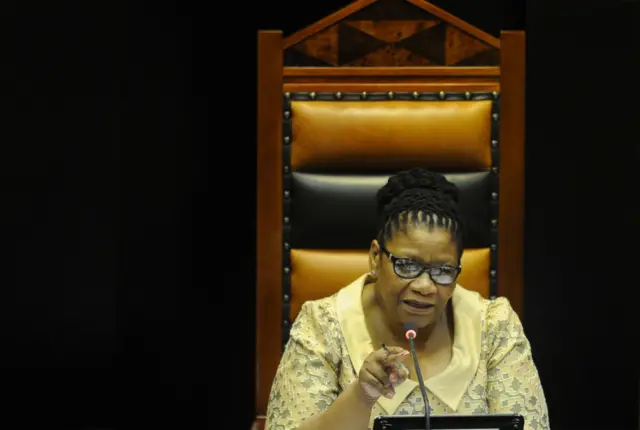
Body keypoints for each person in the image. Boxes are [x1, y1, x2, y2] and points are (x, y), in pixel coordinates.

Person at [265, 168, 549, 430]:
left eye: (443, 270)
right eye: (407, 265)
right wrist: (360, 397)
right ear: (376, 257)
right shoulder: (322, 326)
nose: (425, 286)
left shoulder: (494, 326)